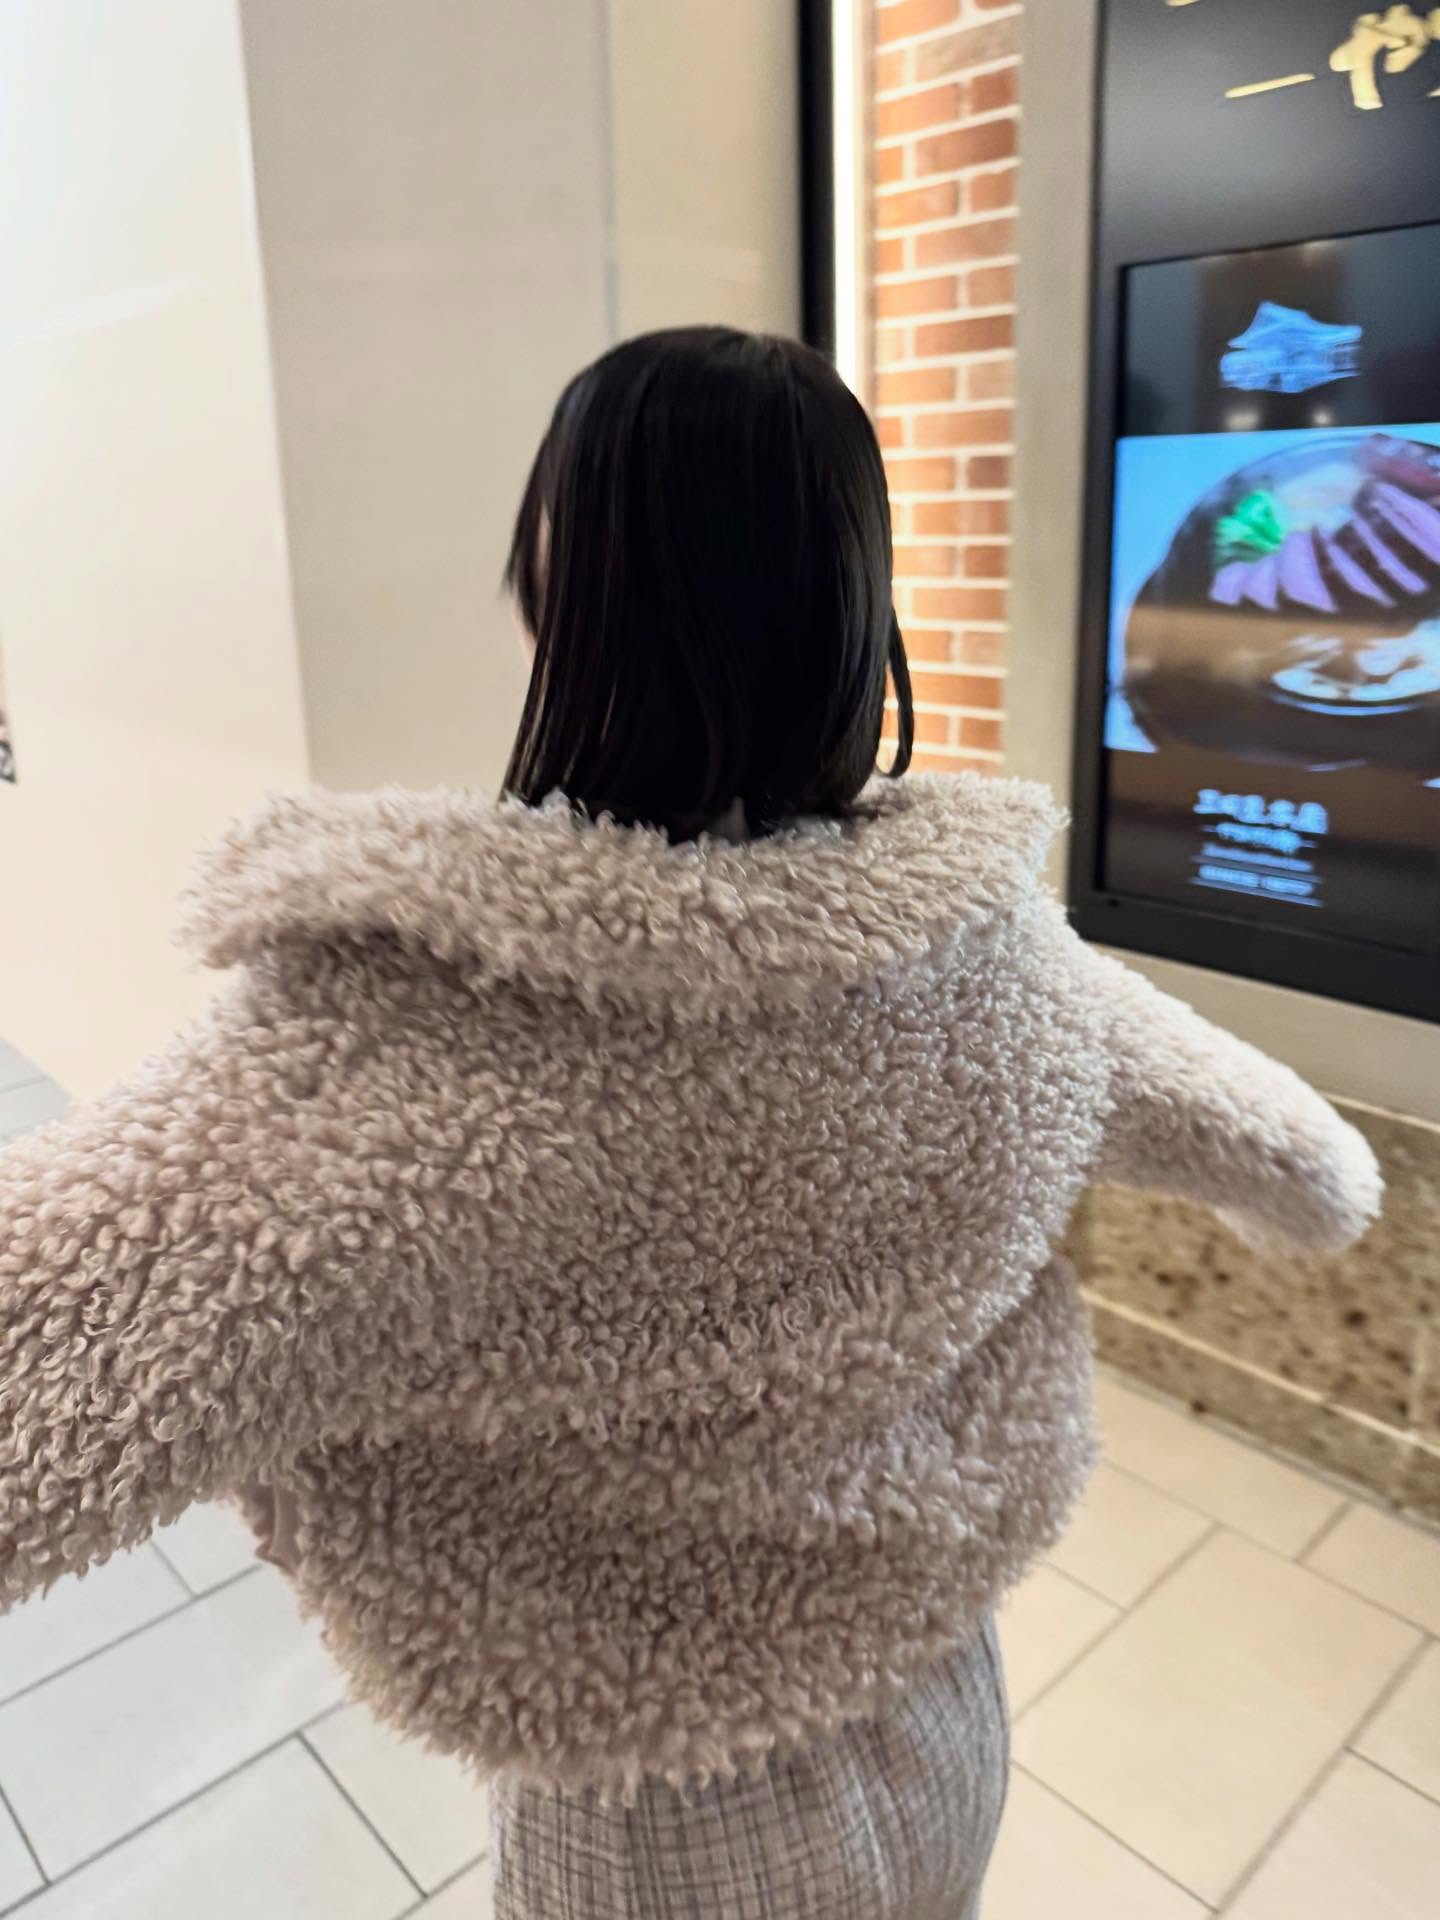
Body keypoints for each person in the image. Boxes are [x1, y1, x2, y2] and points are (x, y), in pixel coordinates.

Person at [0, 328, 1380, 1918]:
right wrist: (1315, 1182)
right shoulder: (990, 953)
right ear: (857, 601)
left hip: (661, 1809)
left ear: (558, 580)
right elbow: (1303, 1162)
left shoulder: (389, 1051)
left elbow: (57, 1351)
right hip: (948, 1716)